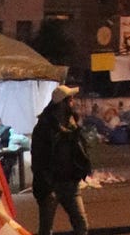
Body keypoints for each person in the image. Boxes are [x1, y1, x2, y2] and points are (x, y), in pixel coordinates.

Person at [30, 93, 89, 235]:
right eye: (70, 100)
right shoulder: (44, 126)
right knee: (46, 228)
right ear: (61, 103)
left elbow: (79, 150)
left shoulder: (72, 123)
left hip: (70, 183)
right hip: (51, 185)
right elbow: (37, 157)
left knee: (81, 224)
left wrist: (81, 170)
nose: (73, 102)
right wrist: (45, 182)